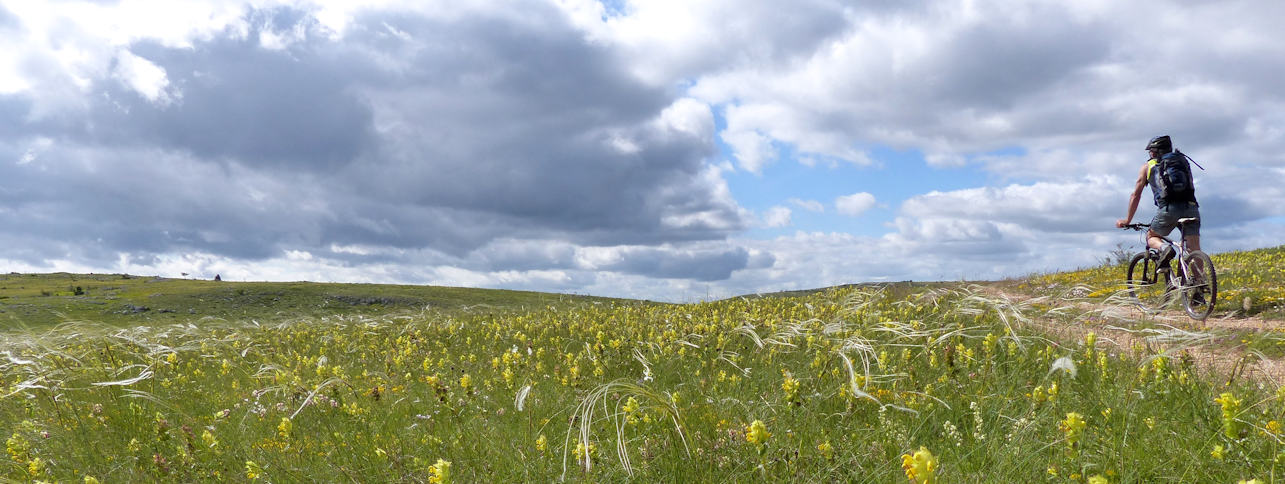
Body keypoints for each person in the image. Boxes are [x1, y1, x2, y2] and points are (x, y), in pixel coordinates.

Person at [1114, 135, 1201, 271]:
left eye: (1151, 151)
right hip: (1191, 206)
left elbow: (1135, 195)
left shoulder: (1148, 166)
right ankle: (1200, 285)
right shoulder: (1181, 160)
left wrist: (1127, 219)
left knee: (1152, 236)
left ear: (1155, 152)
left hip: (1168, 209)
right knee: (1194, 249)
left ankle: (1165, 248)